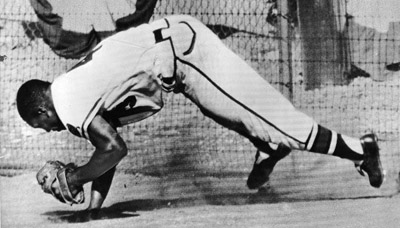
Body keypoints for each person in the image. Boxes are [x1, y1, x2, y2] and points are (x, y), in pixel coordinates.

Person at [16, 15, 384, 211]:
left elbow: (113, 150)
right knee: (230, 112)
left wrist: (78, 177)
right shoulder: (69, 88)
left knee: (278, 120)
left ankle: (360, 149)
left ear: (42, 108)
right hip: (178, 53)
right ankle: (269, 147)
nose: (48, 130)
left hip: (185, 53)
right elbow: (107, 144)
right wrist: (94, 207)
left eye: (41, 123)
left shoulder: (66, 102)